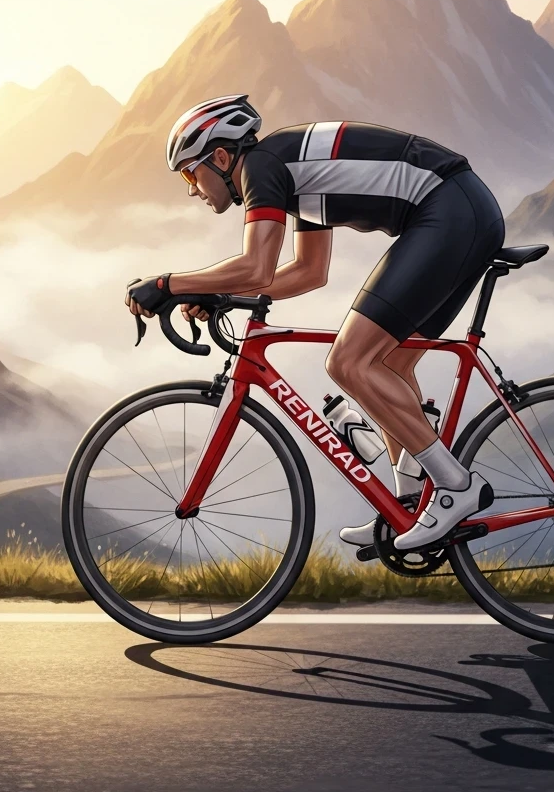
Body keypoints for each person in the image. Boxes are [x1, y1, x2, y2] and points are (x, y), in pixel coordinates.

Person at [125, 93, 505, 552]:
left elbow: (257, 269)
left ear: (222, 157)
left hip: (449, 213)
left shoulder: (263, 167)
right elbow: (308, 272)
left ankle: (454, 486)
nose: (191, 188)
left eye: (190, 172)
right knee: (388, 364)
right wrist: (221, 293)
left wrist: (168, 284)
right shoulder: (286, 170)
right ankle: (408, 508)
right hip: (462, 211)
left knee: (348, 362)